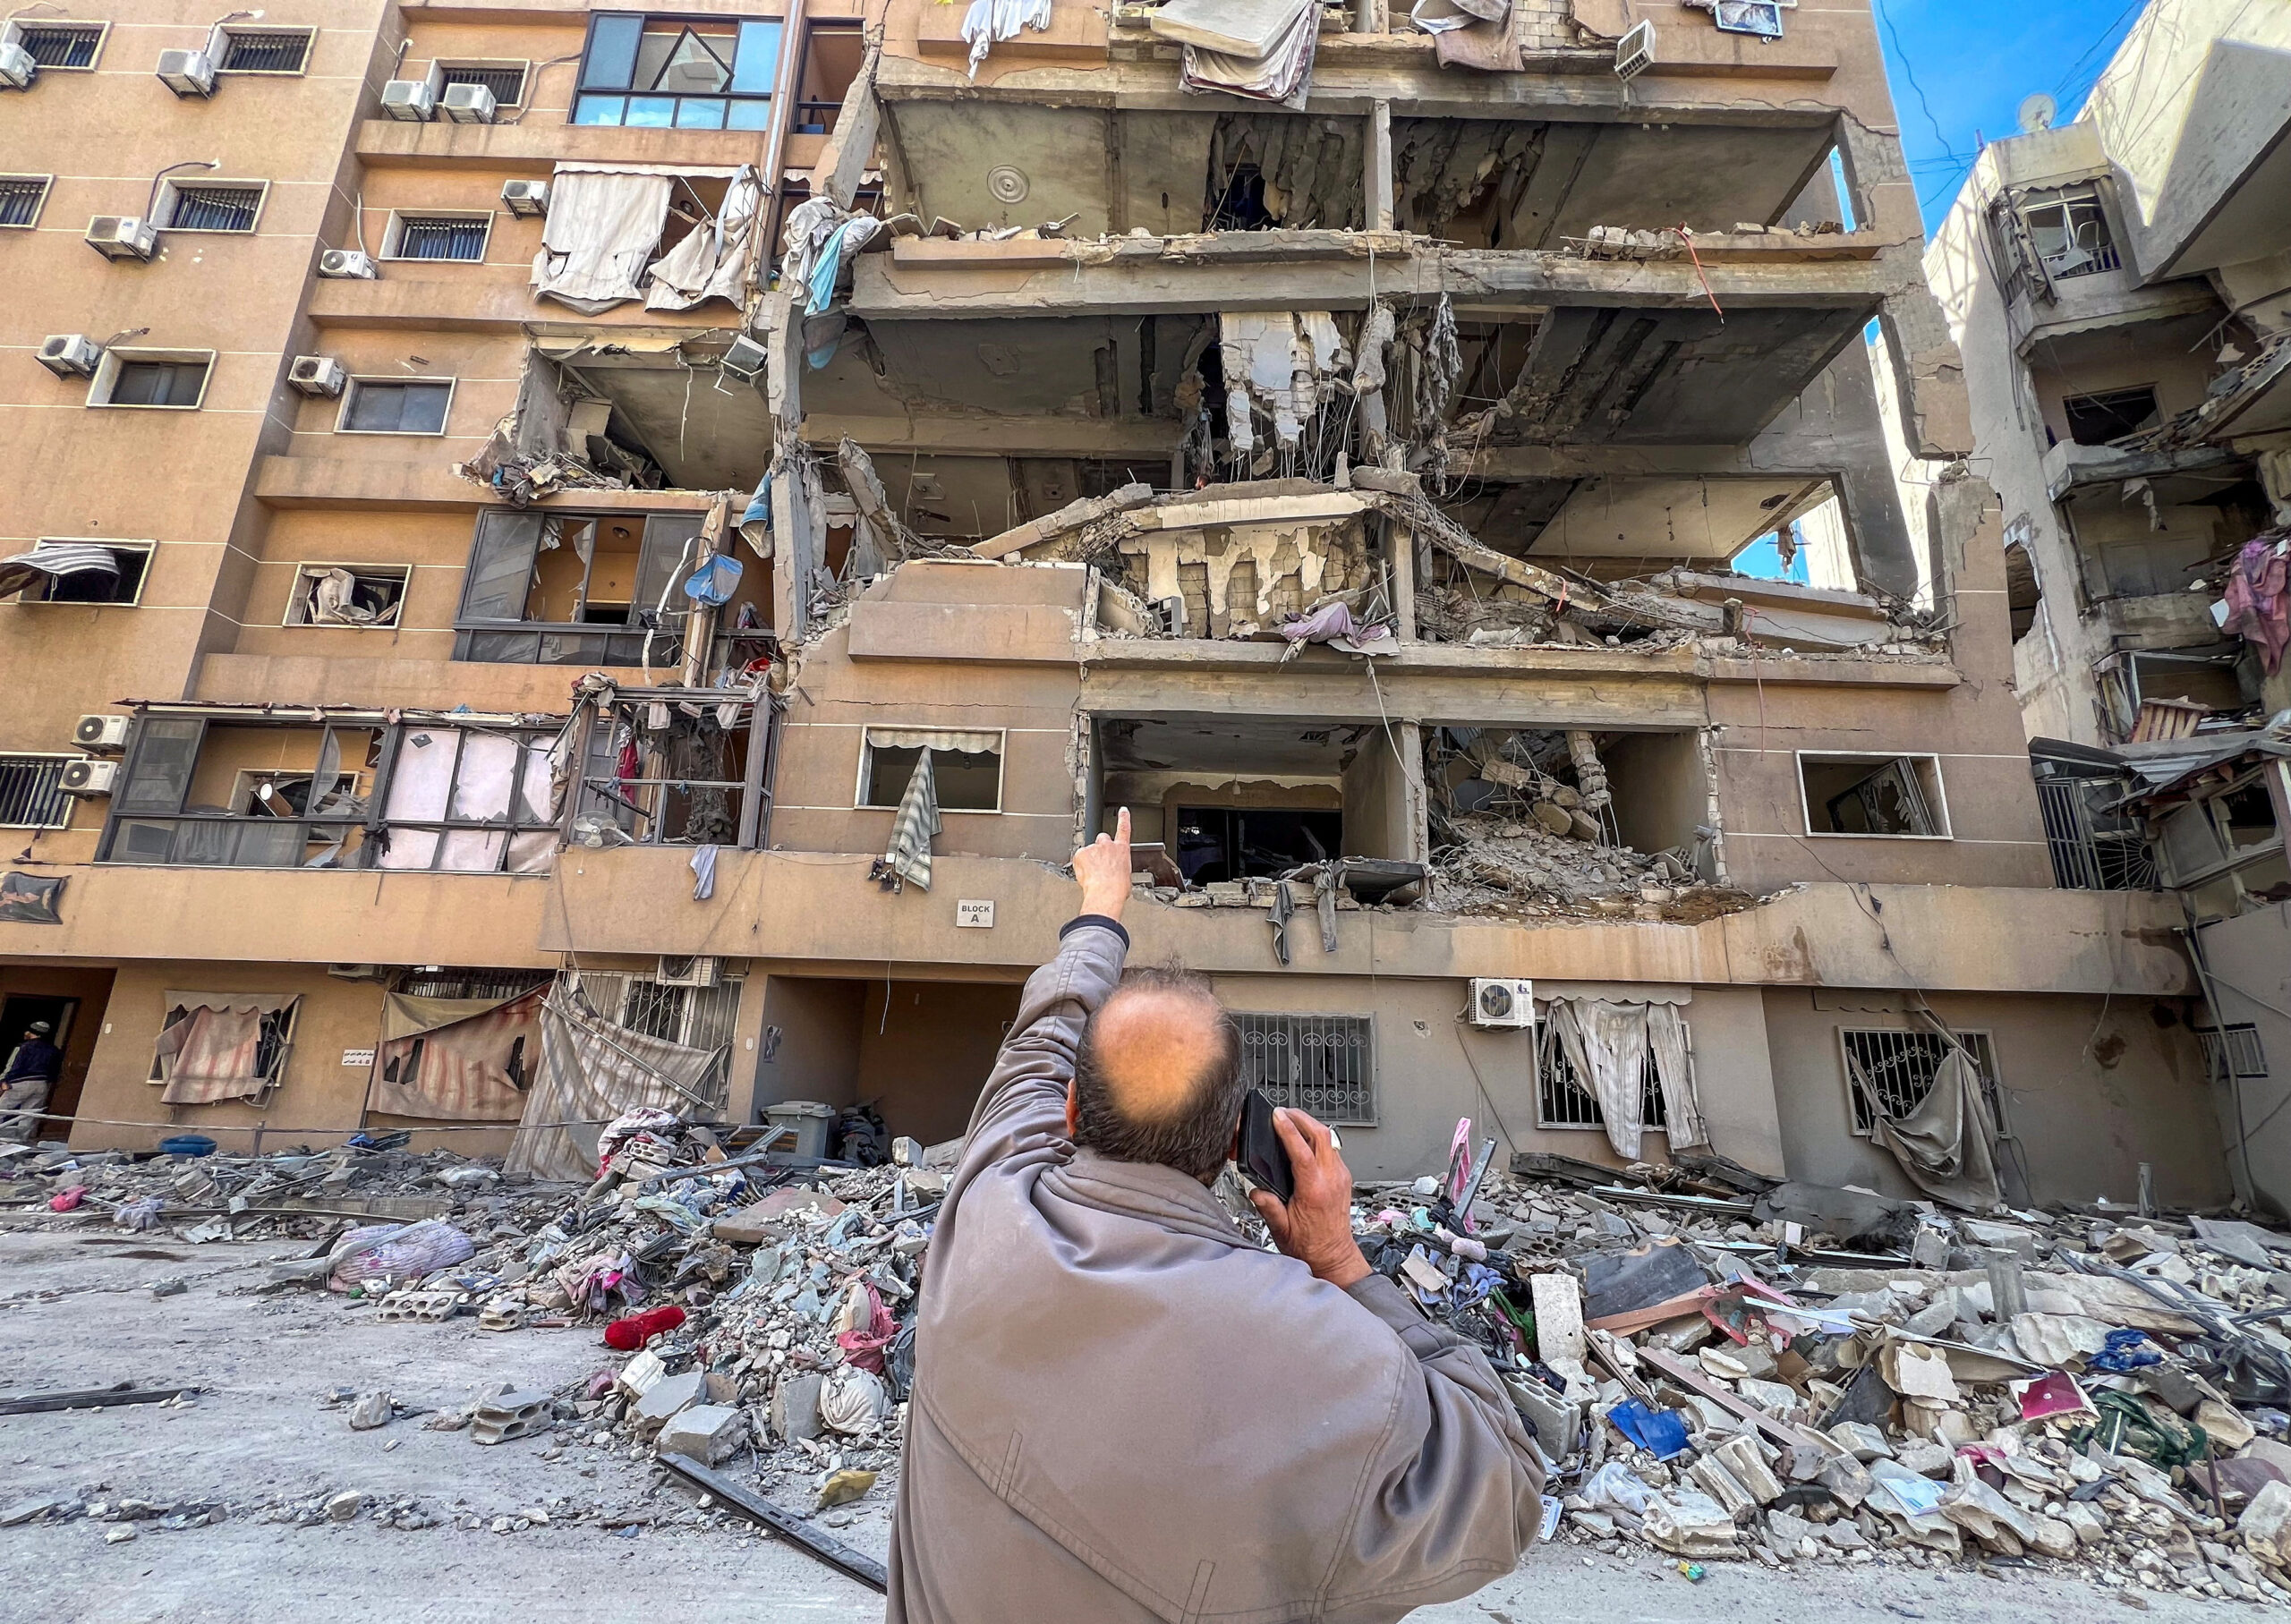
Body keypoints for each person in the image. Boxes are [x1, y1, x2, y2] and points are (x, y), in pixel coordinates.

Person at [889, 809, 1544, 1622]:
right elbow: (1506, 1485)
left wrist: (1101, 908)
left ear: (1066, 1112)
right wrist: (1340, 1261)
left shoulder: (986, 1209)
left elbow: (1041, 1036)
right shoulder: (1321, 1350)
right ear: (1238, 1139)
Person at [0, 1020, 64, 1145]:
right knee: (29, 1114)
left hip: (21, 1083)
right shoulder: (54, 1050)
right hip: (41, 1084)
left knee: (2, 1109)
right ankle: (20, 1142)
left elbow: (15, 1066)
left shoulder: (24, 1047)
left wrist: (4, 1080)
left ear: (32, 1032)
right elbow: (55, 1071)